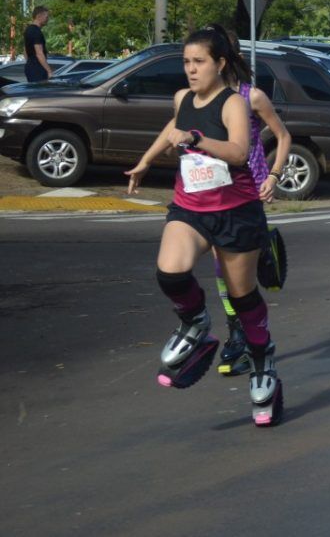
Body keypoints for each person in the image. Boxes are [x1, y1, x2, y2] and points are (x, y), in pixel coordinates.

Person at [125, 26, 282, 426]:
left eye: (199, 62)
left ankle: (263, 361)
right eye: (186, 63)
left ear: (220, 64)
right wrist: (146, 160)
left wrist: (195, 138)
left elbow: (238, 151)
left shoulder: (234, 103)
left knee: (242, 296)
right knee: (170, 272)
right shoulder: (182, 98)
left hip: (236, 211)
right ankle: (196, 321)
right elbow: (171, 128)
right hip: (190, 206)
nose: (191, 70)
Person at [212, 27, 291, 377]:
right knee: (220, 266)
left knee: (238, 269)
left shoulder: (251, 97)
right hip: (213, 191)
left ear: (223, 59)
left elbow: (284, 136)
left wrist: (273, 176)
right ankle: (237, 334)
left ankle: (249, 336)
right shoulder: (201, 98)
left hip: (248, 190)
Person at [24, 6, 52, 82]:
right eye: (46, 17)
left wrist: (30, 63)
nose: (47, 19)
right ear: (39, 16)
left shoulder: (28, 29)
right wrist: (49, 71)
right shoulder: (36, 32)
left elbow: (25, 51)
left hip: (31, 67)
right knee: (39, 92)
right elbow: (39, 53)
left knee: (34, 92)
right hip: (37, 69)